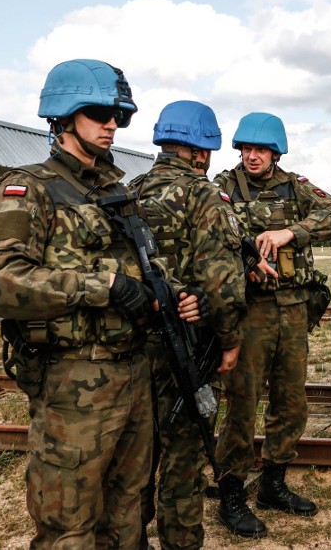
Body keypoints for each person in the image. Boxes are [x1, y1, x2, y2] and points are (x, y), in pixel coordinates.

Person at [0, 59, 199, 548]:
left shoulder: (116, 191)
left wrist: (176, 295)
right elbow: (0, 280)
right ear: (63, 117)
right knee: (70, 525)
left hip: (133, 374)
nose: (112, 125)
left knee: (128, 514)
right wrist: (99, 286)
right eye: (100, 113)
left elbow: (147, 265)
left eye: (119, 116)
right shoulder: (29, 188)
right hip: (72, 383)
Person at [214, 112, 331, 537]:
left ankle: (273, 483)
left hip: (293, 307)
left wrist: (292, 231)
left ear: (275, 152)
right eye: (246, 149)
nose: (252, 157)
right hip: (250, 310)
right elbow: (212, 239)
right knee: (242, 401)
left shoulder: (295, 187)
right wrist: (244, 263)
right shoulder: (224, 188)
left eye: (260, 150)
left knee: (291, 400)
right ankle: (231, 489)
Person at [131, 100, 246, 549]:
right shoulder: (203, 195)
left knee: (138, 452)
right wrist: (230, 339)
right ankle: (179, 541)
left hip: (135, 345)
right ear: (202, 151)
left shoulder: (130, 189)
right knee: (184, 451)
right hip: (187, 346)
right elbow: (220, 282)